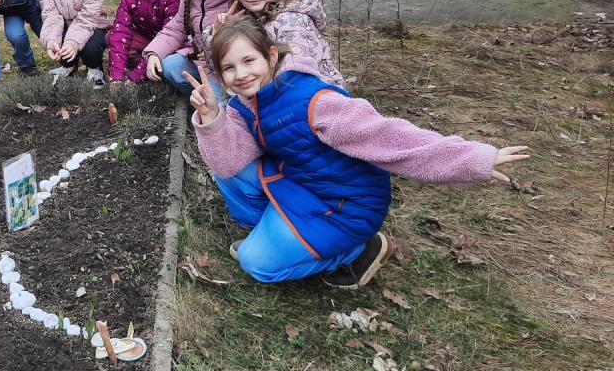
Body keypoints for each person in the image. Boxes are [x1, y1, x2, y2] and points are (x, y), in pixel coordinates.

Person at [185, 18, 530, 289]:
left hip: (346, 205)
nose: (241, 74)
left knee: (256, 264)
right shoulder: (246, 104)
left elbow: (395, 140)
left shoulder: (316, 103)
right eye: (229, 68)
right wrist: (212, 118)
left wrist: (473, 159)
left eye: (249, 60)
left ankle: (357, 249)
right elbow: (228, 161)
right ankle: (274, 233)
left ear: (271, 56)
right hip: (306, 187)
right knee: (231, 171)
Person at [218, 0, 344, 87]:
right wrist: (220, 33)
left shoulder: (292, 21)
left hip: (312, 94)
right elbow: (223, 65)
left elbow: (297, 71)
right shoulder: (249, 20)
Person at [143, 0, 237, 96]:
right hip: (200, 61)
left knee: (218, 103)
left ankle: (221, 101)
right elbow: (175, 29)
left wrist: (211, 56)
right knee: (169, 66)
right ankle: (200, 95)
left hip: (228, 69)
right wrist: (154, 53)